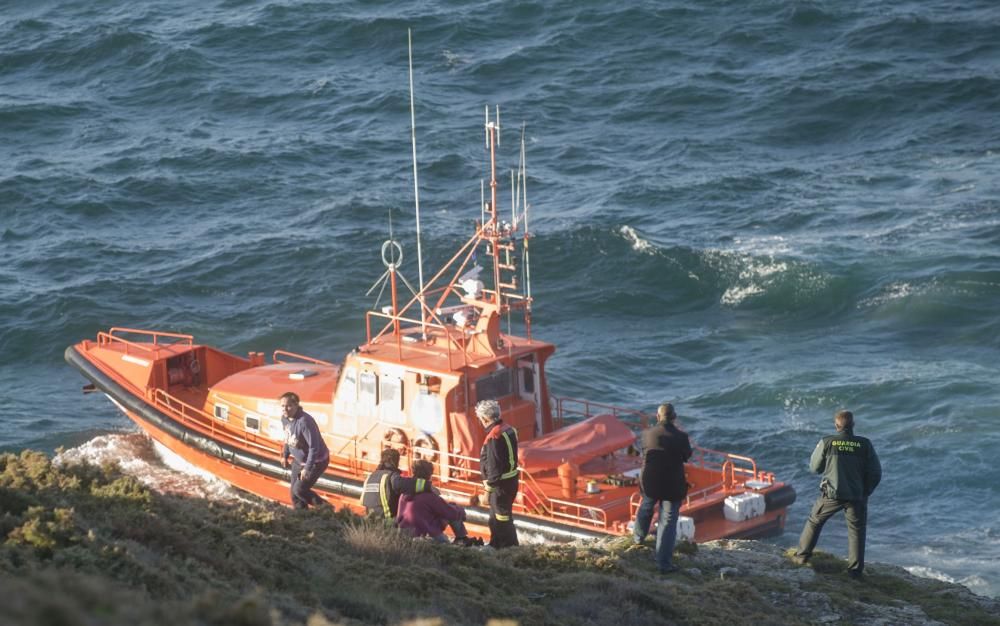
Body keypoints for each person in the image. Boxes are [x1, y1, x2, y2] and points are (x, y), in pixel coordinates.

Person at [794, 410, 882, 579]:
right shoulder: (865, 444)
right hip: (856, 495)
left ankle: (801, 558)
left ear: (836, 426)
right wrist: (865, 491)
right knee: (856, 530)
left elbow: (814, 468)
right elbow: (876, 473)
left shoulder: (827, 442)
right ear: (853, 425)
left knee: (814, 521)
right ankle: (855, 572)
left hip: (832, 495)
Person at [632, 403, 692, 574]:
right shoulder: (681, 437)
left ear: (657, 417)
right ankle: (663, 563)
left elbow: (644, 453)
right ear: (674, 417)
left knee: (646, 506)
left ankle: (638, 539)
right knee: (667, 520)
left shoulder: (646, 434)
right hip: (672, 484)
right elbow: (686, 456)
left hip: (650, 482)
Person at [396, 459, 477, 545]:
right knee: (452, 508)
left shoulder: (404, 494)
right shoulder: (430, 496)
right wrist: (461, 511)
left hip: (404, 533)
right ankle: (461, 538)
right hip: (426, 533)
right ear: (429, 475)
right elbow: (450, 512)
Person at [477, 399, 519, 548]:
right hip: (511, 481)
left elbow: (494, 468)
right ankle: (496, 544)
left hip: (500, 486)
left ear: (484, 418)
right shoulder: (509, 429)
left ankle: (509, 547)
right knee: (495, 518)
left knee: (501, 519)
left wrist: (487, 492)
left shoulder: (494, 437)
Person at [279, 391, 330, 509]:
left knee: (300, 490)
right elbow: (288, 437)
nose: (285, 409)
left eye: (288, 406)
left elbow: (314, 447)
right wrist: (285, 455)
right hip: (298, 461)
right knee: (294, 495)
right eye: (282, 406)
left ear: (296, 405)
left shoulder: (304, 422)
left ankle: (326, 509)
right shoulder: (285, 419)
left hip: (315, 462)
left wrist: (307, 468)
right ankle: (302, 518)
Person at [361, 448, 430, 521]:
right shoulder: (390, 476)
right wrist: (427, 485)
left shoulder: (370, 477)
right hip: (387, 522)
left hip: (370, 521)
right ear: (394, 461)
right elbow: (407, 484)